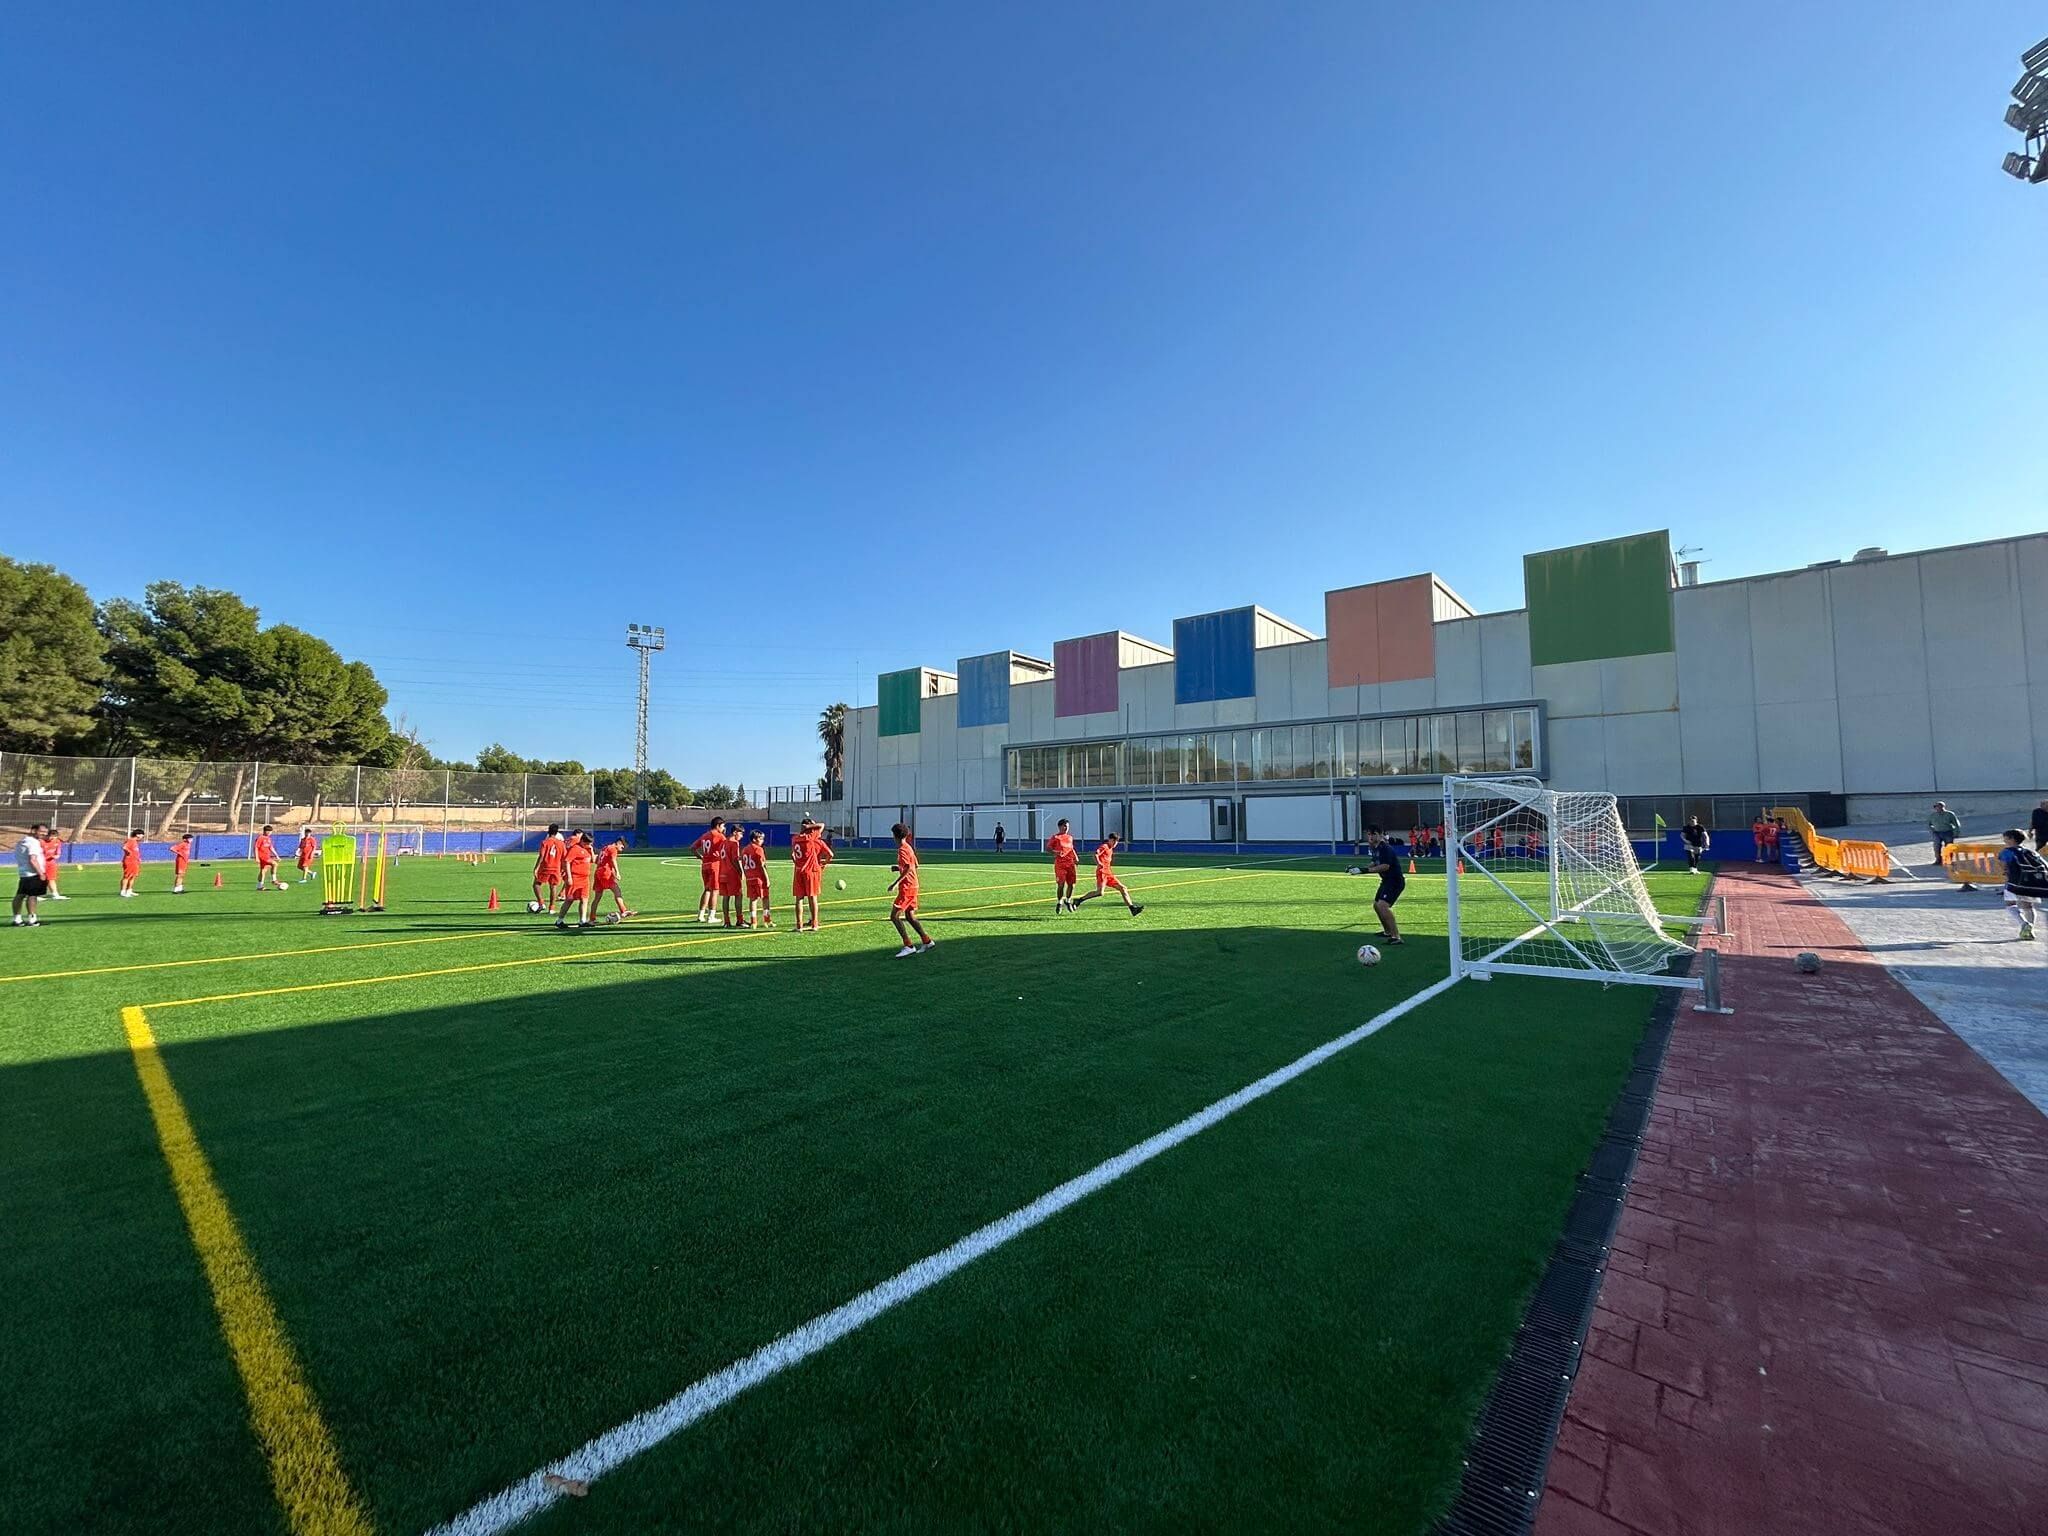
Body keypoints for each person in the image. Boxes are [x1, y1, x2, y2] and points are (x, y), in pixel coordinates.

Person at [1071, 833, 1144, 916]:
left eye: (1116, 842)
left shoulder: (1110, 849)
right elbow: (1095, 854)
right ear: (1110, 840)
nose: (1115, 844)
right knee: (1100, 892)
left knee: (1123, 888)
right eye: (1114, 842)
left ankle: (1132, 909)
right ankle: (1079, 900)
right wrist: (1099, 863)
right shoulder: (1104, 847)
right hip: (1102, 872)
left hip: (1109, 873)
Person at [888, 822, 934, 956]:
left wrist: (895, 883)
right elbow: (916, 865)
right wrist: (898, 868)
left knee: (894, 916)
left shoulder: (902, 849)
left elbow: (908, 868)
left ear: (895, 836)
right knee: (909, 916)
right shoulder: (908, 847)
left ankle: (908, 945)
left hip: (907, 887)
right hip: (914, 885)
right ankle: (927, 941)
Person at [1997, 829, 2048, 941]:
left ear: (2011, 839)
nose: (2004, 840)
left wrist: (2006, 874)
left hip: (2015, 883)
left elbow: (2004, 866)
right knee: (2028, 906)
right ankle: (2030, 929)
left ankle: (2024, 924)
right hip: (2032, 883)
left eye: (2005, 838)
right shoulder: (2031, 852)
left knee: (2010, 904)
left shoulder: (2006, 852)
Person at [1362, 827, 1406, 944]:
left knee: (1382, 906)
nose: (1371, 837)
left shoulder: (1385, 848)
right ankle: (1387, 931)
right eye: (1369, 834)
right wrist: (1359, 869)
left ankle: (1396, 937)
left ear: (1380, 835)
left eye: (1374, 834)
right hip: (1386, 881)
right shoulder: (1374, 848)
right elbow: (1374, 862)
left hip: (1394, 881)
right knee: (1376, 905)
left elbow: (1385, 866)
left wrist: (1366, 870)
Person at [790, 817, 833, 933]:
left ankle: (799, 926)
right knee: (812, 897)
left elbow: (793, 856)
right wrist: (823, 864)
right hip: (811, 871)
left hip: (798, 871)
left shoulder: (795, 839)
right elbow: (822, 825)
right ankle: (814, 924)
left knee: (799, 899)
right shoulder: (811, 838)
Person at [690, 817, 728, 924]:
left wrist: (701, 857)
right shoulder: (719, 836)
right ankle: (711, 916)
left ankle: (701, 915)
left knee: (707, 889)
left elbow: (692, 848)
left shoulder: (705, 835)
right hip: (714, 865)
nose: (724, 828)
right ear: (718, 825)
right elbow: (727, 848)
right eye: (723, 826)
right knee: (715, 890)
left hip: (705, 865)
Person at [554, 831, 595, 930]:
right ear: (582, 841)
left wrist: (591, 850)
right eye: (587, 843)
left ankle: (582, 921)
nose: (588, 845)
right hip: (575, 878)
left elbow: (593, 860)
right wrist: (569, 877)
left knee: (584, 899)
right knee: (569, 900)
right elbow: (567, 861)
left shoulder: (588, 849)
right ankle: (559, 921)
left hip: (585, 879)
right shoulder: (575, 849)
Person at [14, 822, 48, 927]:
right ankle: (32, 919)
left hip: (23, 872)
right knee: (32, 896)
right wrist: (41, 873)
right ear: (33, 831)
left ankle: (17, 919)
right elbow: (33, 860)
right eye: (41, 832)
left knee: (20, 895)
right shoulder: (33, 843)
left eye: (45, 832)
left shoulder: (21, 841)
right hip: (33, 873)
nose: (44, 834)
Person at [592, 837, 634, 922]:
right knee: (617, 891)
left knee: (597, 897)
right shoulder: (613, 849)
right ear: (618, 843)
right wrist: (617, 872)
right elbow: (613, 860)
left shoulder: (605, 847)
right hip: (605, 873)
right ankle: (623, 911)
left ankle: (592, 918)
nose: (622, 849)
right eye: (622, 847)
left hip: (598, 872)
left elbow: (599, 859)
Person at [1045, 818, 1080, 913]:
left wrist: (1075, 857)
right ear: (1060, 826)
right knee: (1061, 884)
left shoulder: (1069, 837)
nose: (1066, 828)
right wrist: (1054, 852)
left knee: (1072, 884)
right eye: (1064, 826)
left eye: (1067, 826)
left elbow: (1071, 848)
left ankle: (1068, 900)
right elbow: (1048, 848)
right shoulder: (1055, 837)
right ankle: (1059, 902)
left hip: (1070, 864)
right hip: (1060, 864)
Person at [742, 829, 774, 928]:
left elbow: (743, 864)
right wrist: (767, 878)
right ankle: (767, 920)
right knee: (765, 898)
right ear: (755, 839)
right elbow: (761, 865)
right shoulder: (758, 849)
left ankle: (753, 921)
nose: (762, 841)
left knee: (753, 899)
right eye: (761, 839)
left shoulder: (745, 849)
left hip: (749, 878)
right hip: (759, 878)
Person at [532, 823, 566, 913]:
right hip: (556, 868)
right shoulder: (561, 844)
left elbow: (542, 856)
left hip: (545, 867)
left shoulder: (545, 842)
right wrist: (564, 869)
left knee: (536, 884)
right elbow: (564, 858)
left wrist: (536, 867)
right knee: (553, 887)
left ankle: (541, 903)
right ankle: (552, 908)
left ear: (548, 831)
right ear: (557, 832)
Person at [719, 821, 747, 927]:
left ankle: (726, 921)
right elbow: (735, 859)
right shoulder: (734, 843)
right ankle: (740, 920)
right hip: (732, 874)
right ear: (735, 832)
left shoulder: (724, 842)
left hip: (722, 872)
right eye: (740, 833)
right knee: (738, 895)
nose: (741, 836)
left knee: (725, 897)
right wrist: (741, 872)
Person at [1926, 801, 1962, 872]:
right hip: (1937, 833)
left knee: (1949, 847)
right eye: (1936, 807)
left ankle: (1949, 860)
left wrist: (1956, 833)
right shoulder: (1933, 815)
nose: (1937, 808)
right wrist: (1932, 830)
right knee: (1936, 846)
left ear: (1943, 807)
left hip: (1947, 832)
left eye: (1939, 806)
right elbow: (1928, 824)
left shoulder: (1949, 814)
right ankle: (1938, 860)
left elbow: (1956, 824)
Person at [254, 824, 287, 890]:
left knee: (263, 871)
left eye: (271, 832)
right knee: (274, 864)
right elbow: (256, 847)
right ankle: (274, 880)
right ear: (265, 831)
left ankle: (259, 886)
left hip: (267, 856)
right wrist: (256, 857)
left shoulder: (269, 838)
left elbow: (271, 847)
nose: (270, 833)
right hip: (262, 856)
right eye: (268, 831)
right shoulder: (260, 838)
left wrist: (277, 855)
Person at [39, 825, 65, 900]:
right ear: (48, 835)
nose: (52, 839)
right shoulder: (41, 842)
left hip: (51, 862)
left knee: (51, 878)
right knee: (40, 879)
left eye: (54, 838)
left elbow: (58, 852)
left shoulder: (57, 841)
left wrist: (57, 856)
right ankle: (36, 895)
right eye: (51, 837)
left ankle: (55, 894)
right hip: (41, 863)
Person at [120, 828, 143, 898]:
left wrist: (138, 858)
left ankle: (129, 890)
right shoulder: (131, 840)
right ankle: (123, 891)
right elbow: (124, 847)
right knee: (127, 876)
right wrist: (129, 852)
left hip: (135, 861)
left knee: (133, 876)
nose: (142, 837)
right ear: (137, 835)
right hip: (129, 861)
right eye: (142, 835)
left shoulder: (135, 842)